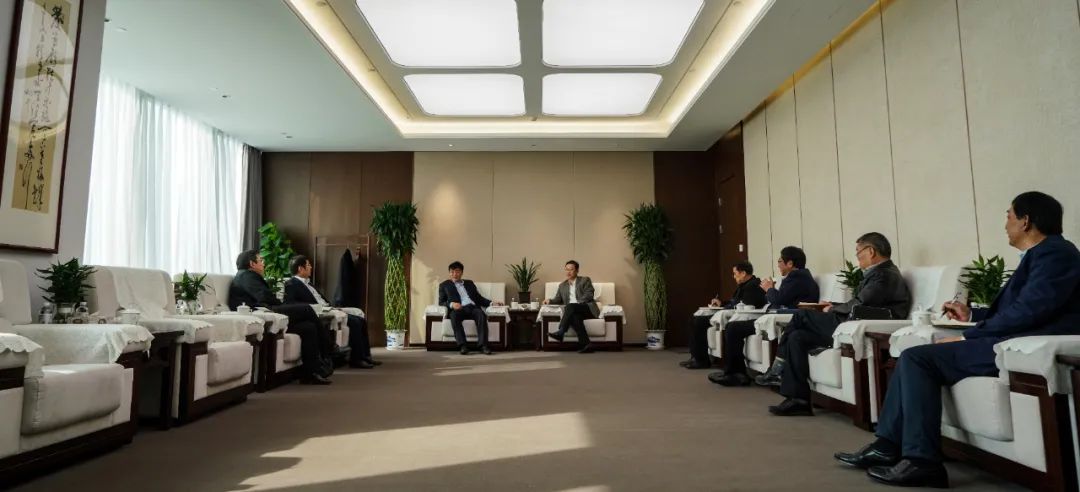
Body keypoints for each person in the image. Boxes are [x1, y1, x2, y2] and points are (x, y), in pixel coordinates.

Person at [835, 192, 1080, 488]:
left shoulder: (1055, 254)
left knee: (917, 358)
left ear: (1025, 221)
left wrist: (967, 336)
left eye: (1009, 216)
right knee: (914, 356)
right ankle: (887, 446)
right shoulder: (1042, 254)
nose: (1006, 224)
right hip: (1008, 338)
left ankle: (921, 461)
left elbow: (1031, 311)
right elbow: (1020, 309)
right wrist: (971, 313)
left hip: (1021, 346)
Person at [764, 233, 911, 415]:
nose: (857, 257)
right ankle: (798, 399)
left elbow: (860, 303)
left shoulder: (884, 275)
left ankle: (777, 367)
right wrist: (834, 305)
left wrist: (832, 309)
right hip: (854, 319)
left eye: (858, 252)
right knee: (797, 337)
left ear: (871, 251)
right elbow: (862, 301)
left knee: (801, 316)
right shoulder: (880, 273)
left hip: (857, 322)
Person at [708, 247, 820, 384]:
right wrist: (771, 290)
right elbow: (780, 299)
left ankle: (736, 374)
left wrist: (769, 289)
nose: (778, 264)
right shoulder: (798, 277)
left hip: (787, 320)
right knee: (733, 327)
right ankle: (734, 372)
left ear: (790, 263)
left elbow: (778, 300)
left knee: (733, 328)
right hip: (781, 318)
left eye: (780, 261)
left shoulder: (797, 278)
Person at [229, 250, 332, 385]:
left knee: (308, 327)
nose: (263, 263)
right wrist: (280, 303)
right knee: (307, 309)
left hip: (266, 310)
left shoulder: (248, 276)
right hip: (260, 312)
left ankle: (310, 373)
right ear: (252, 264)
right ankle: (328, 348)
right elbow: (264, 297)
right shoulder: (246, 275)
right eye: (261, 260)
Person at [284, 255, 380, 369]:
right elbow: (292, 303)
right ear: (300, 268)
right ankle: (356, 359)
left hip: (329, 309)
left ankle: (366, 356)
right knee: (355, 322)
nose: (311, 267)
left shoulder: (308, 283)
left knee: (361, 320)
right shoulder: (291, 284)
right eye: (308, 265)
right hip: (320, 312)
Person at [681, 262, 766, 369]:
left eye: (735, 273)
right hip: (732, 313)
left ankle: (701, 360)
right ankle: (696, 357)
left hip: (740, 316)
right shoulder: (744, 285)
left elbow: (745, 304)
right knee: (693, 319)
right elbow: (735, 302)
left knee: (699, 321)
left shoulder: (753, 286)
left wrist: (728, 306)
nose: (733, 276)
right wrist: (721, 303)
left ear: (743, 273)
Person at [437, 261, 501, 355]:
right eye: (452, 272)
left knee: (481, 314)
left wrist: (492, 303)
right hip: (458, 309)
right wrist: (452, 304)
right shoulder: (444, 285)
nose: (454, 274)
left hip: (472, 307)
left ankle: (483, 346)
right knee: (454, 316)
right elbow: (441, 302)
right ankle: (463, 346)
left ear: (461, 272)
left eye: (457, 271)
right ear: (449, 273)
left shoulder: (469, 283)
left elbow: (478, 298)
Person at [544, 260, 600, 353]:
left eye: (571, 269)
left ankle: (561, 332)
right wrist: (549, 301)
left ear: (577, 270)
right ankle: (586, 344)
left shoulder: (585, 280)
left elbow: (589, 294)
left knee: (570, 306)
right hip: (572, 311)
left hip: (587, 308)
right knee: (575, 317)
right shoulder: (562, 286)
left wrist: (578, 303)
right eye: (566, 269)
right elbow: (558, 299)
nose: (568, 272)